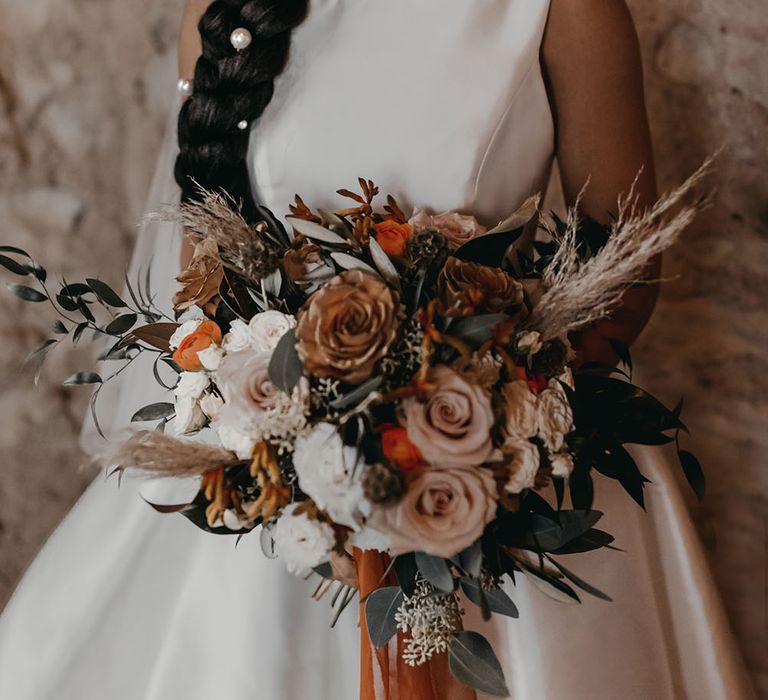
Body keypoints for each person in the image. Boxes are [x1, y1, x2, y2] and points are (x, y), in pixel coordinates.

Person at [0, 1, 755, 698]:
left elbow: (622, 270)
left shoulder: (566, 10)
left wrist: (490, 433)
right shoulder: (224, 6)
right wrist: (293, 457)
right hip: (271, 477)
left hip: (493, 460)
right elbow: (203, 278)